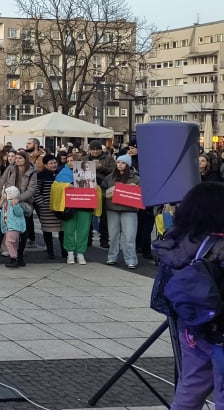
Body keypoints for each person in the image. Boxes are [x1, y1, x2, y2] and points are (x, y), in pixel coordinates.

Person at [152, 182, 224, 408]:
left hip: (191, 325)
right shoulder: (220, 245)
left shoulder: (178, 242)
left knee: (190, 386)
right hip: (220, 328)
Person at [102, 154, 141, 269]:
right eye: (118, 162)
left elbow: (141, 195)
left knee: (129, 237)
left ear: (128, 165)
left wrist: (136, 189)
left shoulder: (136, 178)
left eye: (123, 163)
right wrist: (110, 192)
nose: (120, 165)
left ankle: (131, 259)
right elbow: (102, 192)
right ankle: (112, 257)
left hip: (129, 210)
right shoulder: (110, 177)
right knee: (113, 235)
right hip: (112, 209)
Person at [1, 186, 27, 268]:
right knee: (14, 243)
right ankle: (16, 258)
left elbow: (19, 213)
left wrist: (15, 206)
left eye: (5, 193)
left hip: (13, 227)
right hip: (10, 227)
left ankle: (13, 258)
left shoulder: (14, 204)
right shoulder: (6, 203)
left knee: (9, 243)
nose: (3, 194)